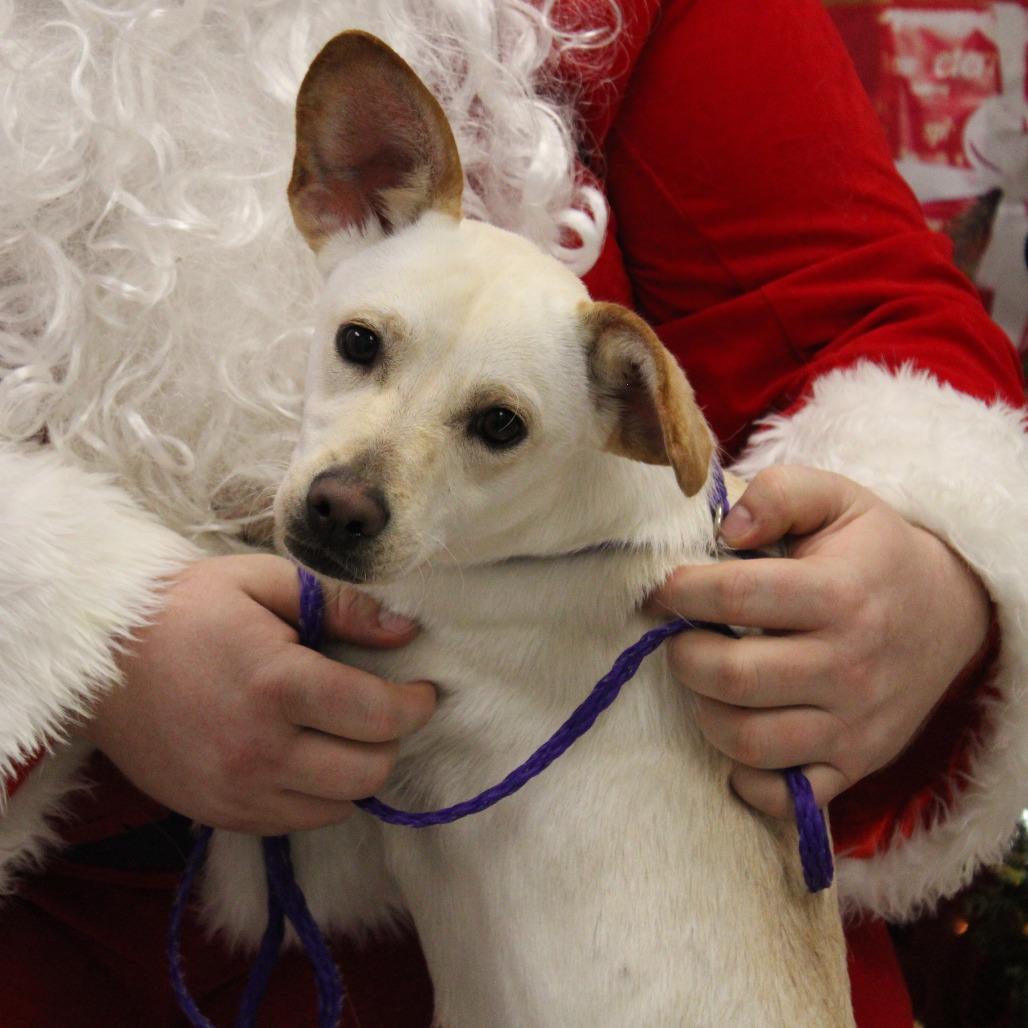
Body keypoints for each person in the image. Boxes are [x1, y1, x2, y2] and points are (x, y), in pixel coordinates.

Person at [0, 0, 1024, 1025]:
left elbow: (858, 308)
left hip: (668, 913)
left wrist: (937, 576)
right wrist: (87, 634)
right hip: (86, 946)